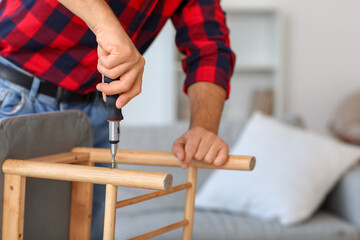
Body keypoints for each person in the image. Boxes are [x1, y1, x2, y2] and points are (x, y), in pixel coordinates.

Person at [0, 0, 235, 238]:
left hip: (94, 110)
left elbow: (209, 49)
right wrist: (106, 27)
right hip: (13, 91)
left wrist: (204, 127)